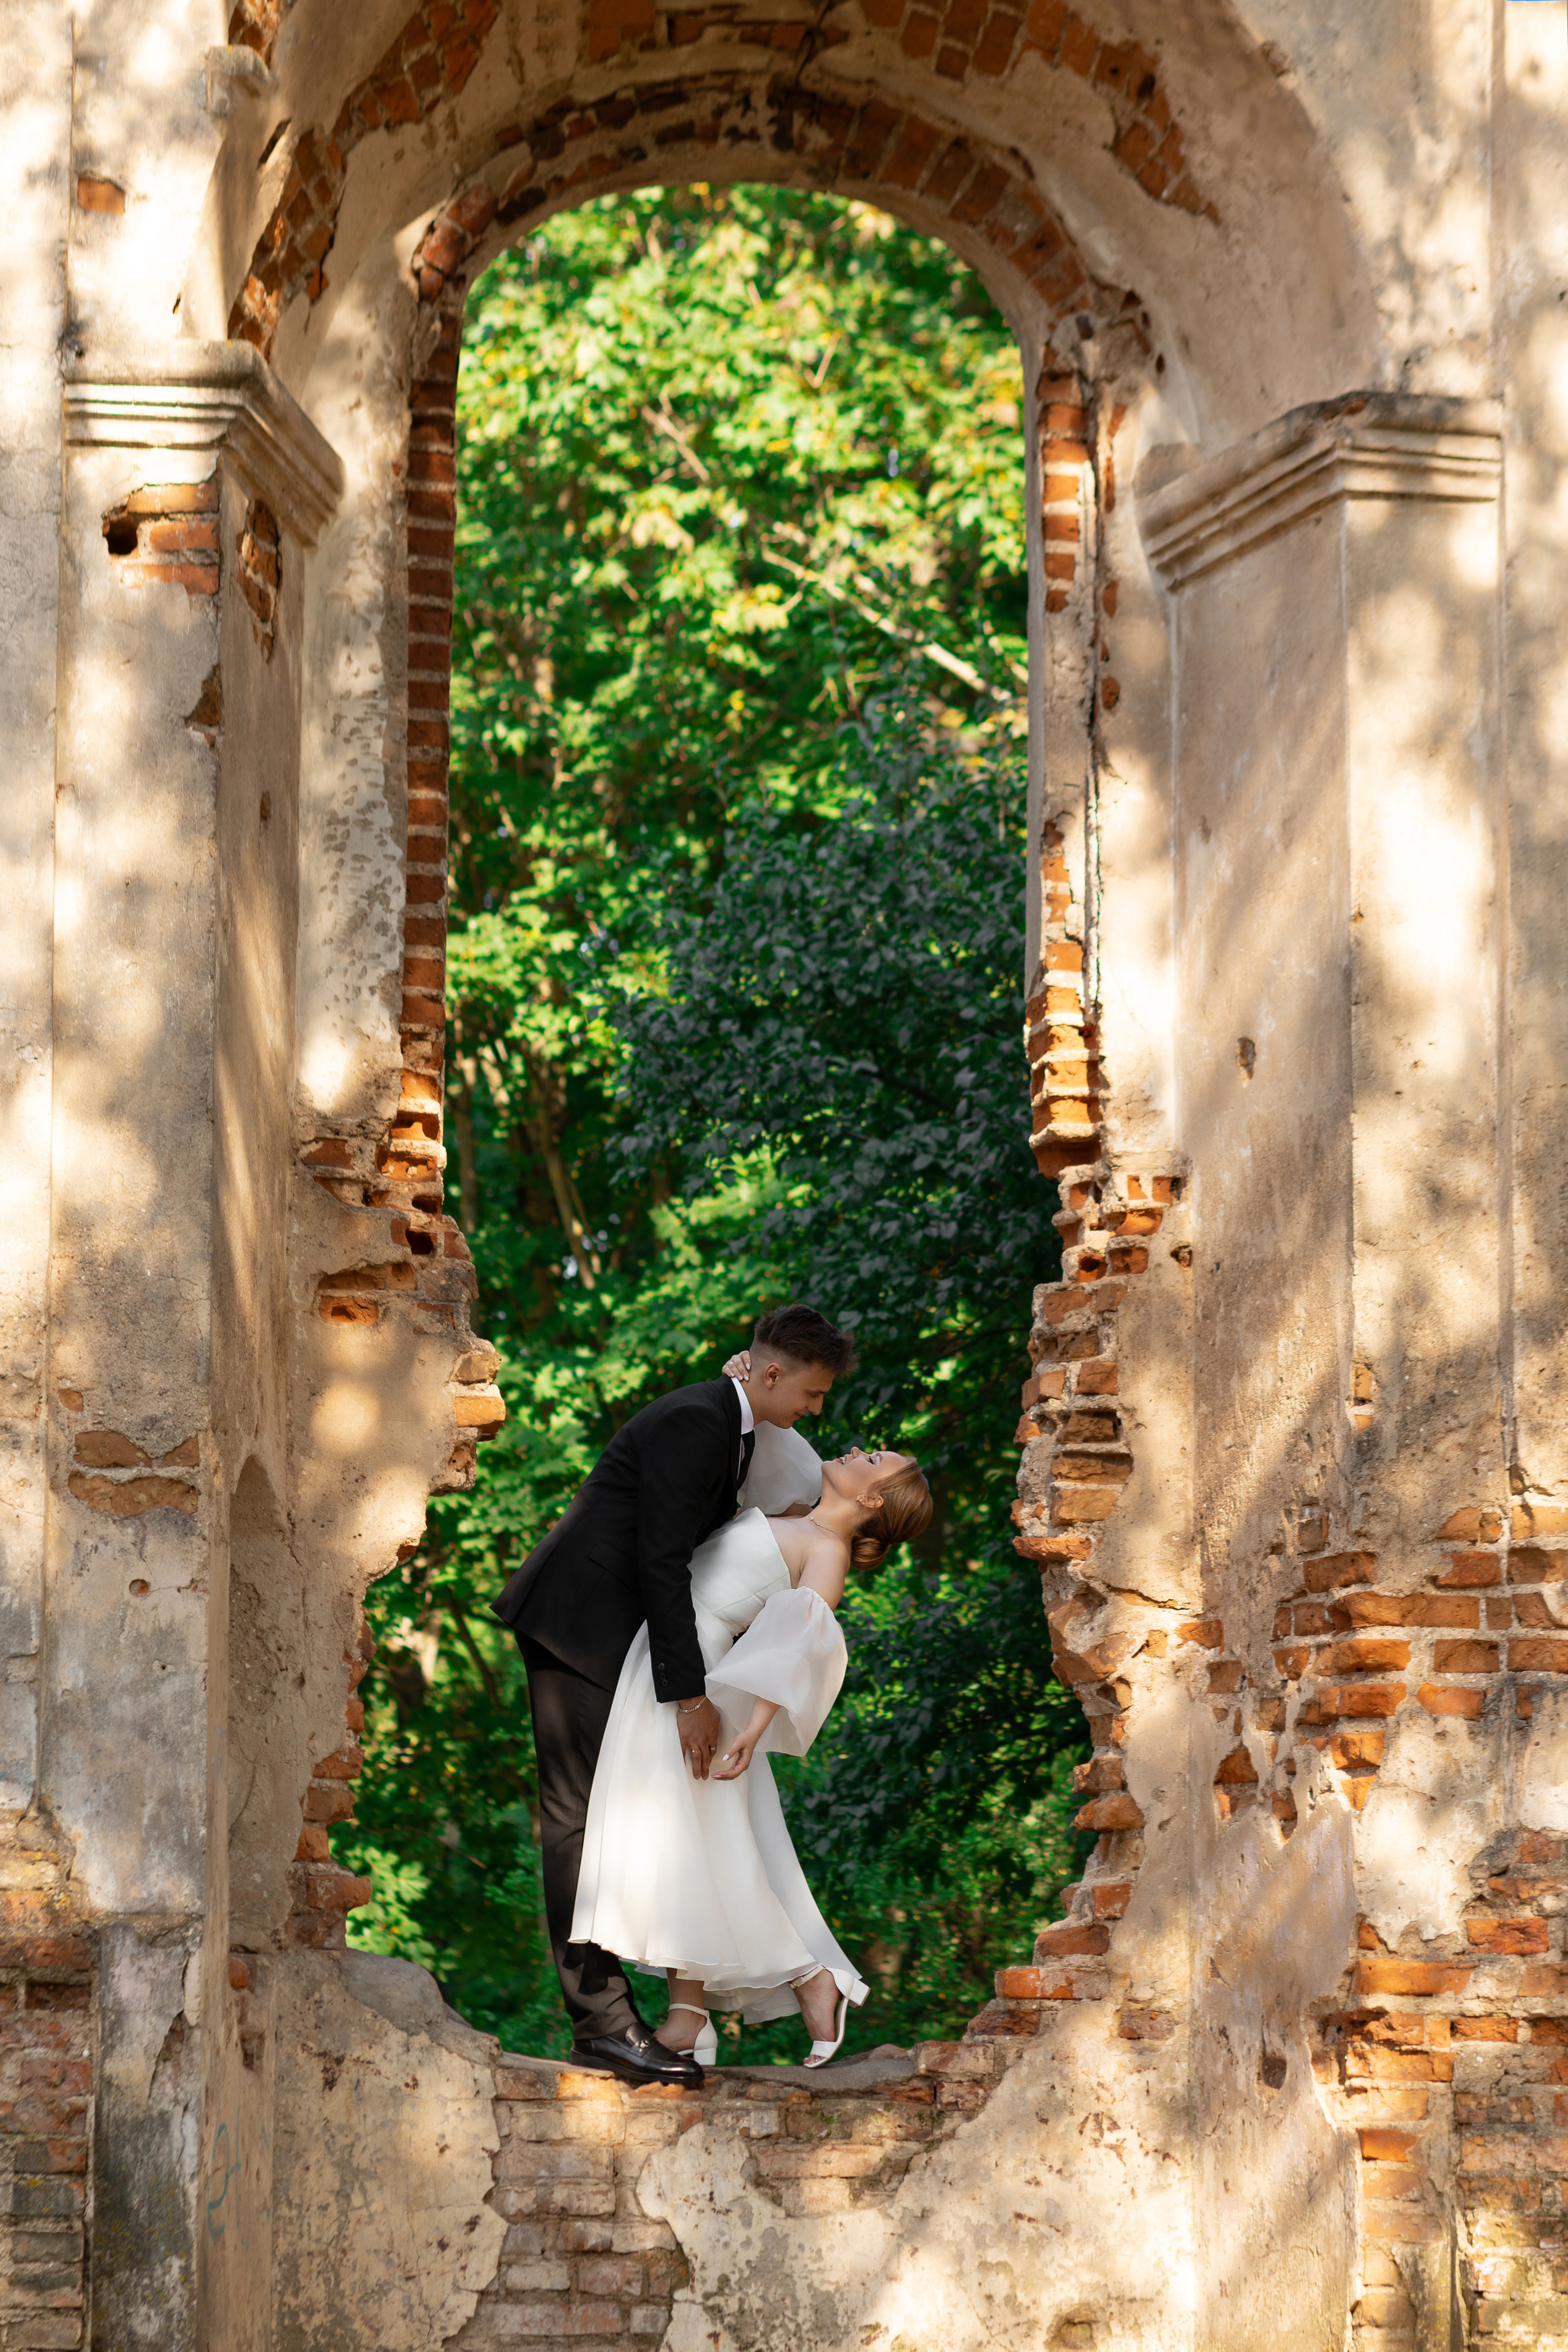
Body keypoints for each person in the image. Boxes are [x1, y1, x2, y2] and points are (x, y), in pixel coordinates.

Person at [489, 1302, 856, 2086]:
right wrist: (687, 1697)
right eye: (812, 1394)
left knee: (601, 1818)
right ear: (769, 1375)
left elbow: (788, 1460)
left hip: (611, 1633)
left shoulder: (732, 1418)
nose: (815, 1412)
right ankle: (606, 2027)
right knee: (573, 1821)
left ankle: (653, 2022)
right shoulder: (701, 1421)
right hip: (579, 1625)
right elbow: (662, 1561)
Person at [571, 1438, 933, 2067]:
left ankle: (807, 1973)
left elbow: (797, 1641)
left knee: (697, 1841)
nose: (856, 1449)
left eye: (873, 1460)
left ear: (872, 1498)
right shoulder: (795, 1509)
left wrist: (751, 1727)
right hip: (662, 1657)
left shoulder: (826, 1550)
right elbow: (762, 1430)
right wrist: (742, 1369)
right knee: (685, 1843)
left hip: (701, 1679)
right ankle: (688, 2019)